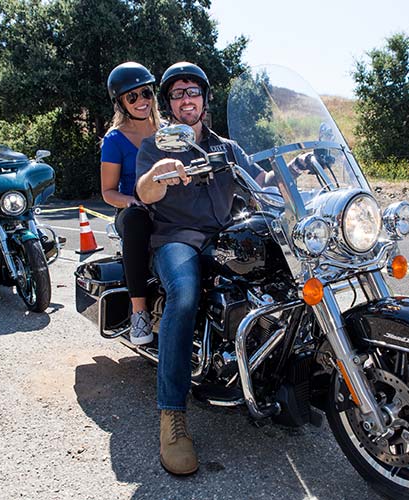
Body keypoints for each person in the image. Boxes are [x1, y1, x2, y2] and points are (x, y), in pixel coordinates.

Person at [135, 62, 273, 476]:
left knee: (280, 274)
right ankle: (172, 416)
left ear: (205, 99)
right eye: (177, 94)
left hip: (223, 235)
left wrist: (294, 170)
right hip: (175, 238)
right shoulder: (157, 146)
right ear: (170, 105)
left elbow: (261, 179)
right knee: (185, 294)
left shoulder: (227, 148)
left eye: (192, 91)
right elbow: (143, 190)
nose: (186, 99)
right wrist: (158, 174)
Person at [100, 62, 161, 345]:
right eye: (132, 96)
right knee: (137, 220)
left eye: (145, 93)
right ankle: (139, 312)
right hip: (132, 210)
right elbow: (108, 192)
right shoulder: (114, 140)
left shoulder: (168, 131)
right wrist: (132, 201)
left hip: (170, 208)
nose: (141, 101)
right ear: (121, 102)